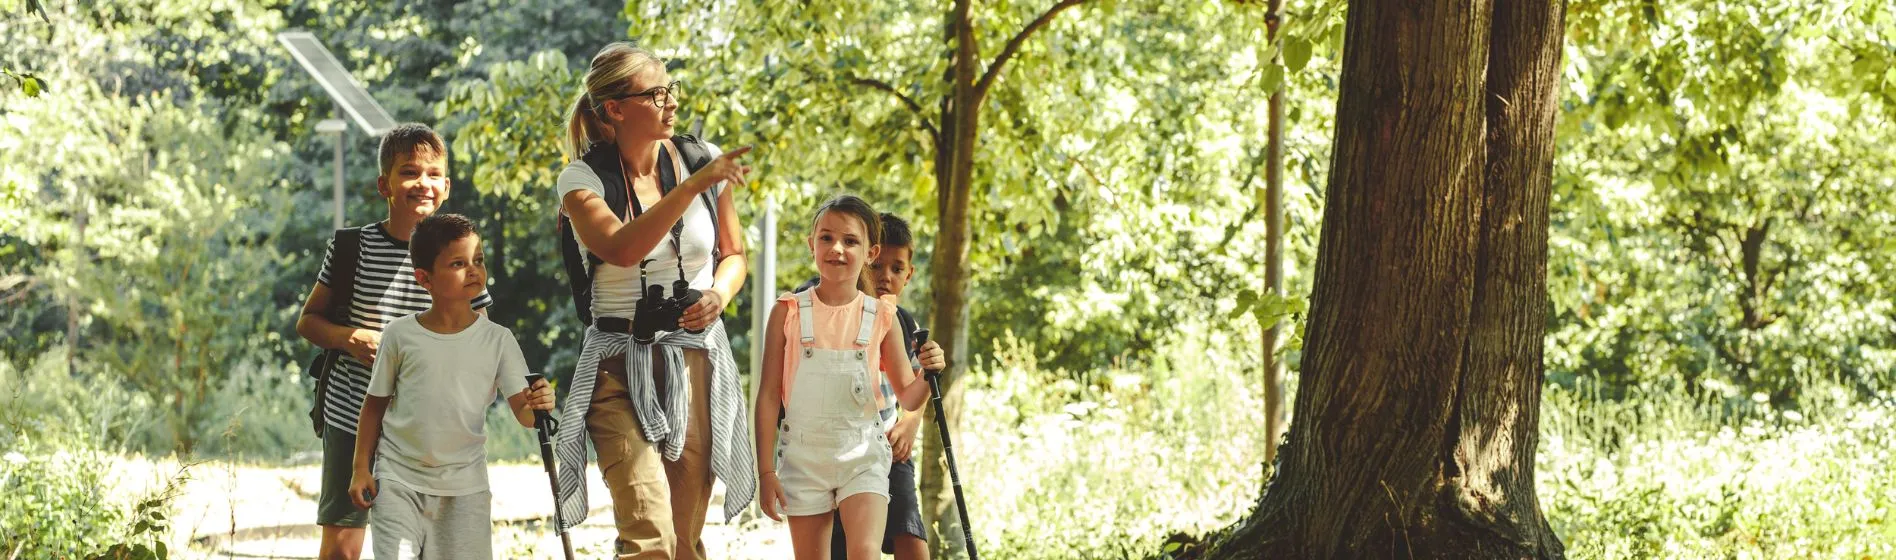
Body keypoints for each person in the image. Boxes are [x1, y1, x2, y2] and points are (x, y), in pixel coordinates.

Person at [551, 41, 756, 559]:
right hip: (617, 365)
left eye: (671, 89)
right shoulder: (580, 181)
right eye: (656, 92)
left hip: (695, 360)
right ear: (615, 109)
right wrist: (691, 189)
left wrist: (718, 294)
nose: (671, 101)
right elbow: (622, 248)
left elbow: (735, 255)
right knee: (649, 534)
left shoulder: (699, 159)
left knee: (684, 540)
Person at [294, 123, 493, 560]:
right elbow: (308, 322)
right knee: (343, 547)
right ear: (385, 184)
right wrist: (350, 338)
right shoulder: (352, 247)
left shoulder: (463, 251)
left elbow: (480, 340)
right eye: (409, 172)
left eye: (433, 173)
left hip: (429, 426)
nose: (422, 183)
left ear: (446, 186)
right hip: (351, 415)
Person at [344, 213, 555, 559]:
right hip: (399, 480)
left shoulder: (498, 340)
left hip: (465, 489)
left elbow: (526, 414)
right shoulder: (400, 335)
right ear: (424, 278)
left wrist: (540, 402)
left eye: (478, 260)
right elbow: (374, 405)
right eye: (458, 263)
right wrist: (360, 469)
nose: (473, 270)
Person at [756, 195, 946, 560]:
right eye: (826, 238)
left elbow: (908, 396)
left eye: (850, 241)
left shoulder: (882, 317)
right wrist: (766, 472)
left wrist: (929, 371)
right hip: (804, 458)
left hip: (864, 457)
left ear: (870, 252)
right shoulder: (787, 312)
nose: (837, 249)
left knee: (864, 553)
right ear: (811, 244)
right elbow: (767, 396)